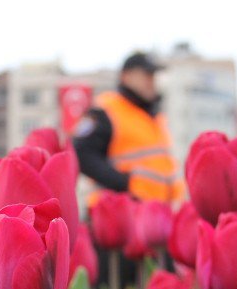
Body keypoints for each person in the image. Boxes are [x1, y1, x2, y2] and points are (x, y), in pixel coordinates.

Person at [73, 52, 184, 206]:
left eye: (153, 76)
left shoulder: (153, 116)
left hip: (156, 211)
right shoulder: (106, 110)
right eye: (147, 75)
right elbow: (80, 153)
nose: (152, 81)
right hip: (117, 213)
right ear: (126, 76)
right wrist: (125, 184)